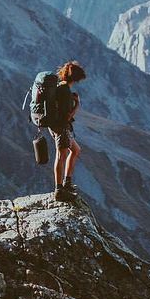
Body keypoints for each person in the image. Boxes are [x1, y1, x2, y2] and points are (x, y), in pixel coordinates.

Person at [50, 60, 86, 202]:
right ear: (75, 78)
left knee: (76, 150)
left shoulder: (60, 87)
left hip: (56, 126)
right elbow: (66, 116)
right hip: (61, 127)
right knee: (61, 155)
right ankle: (59, 190)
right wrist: (77, 105)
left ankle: (67, 183)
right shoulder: (65, 91)